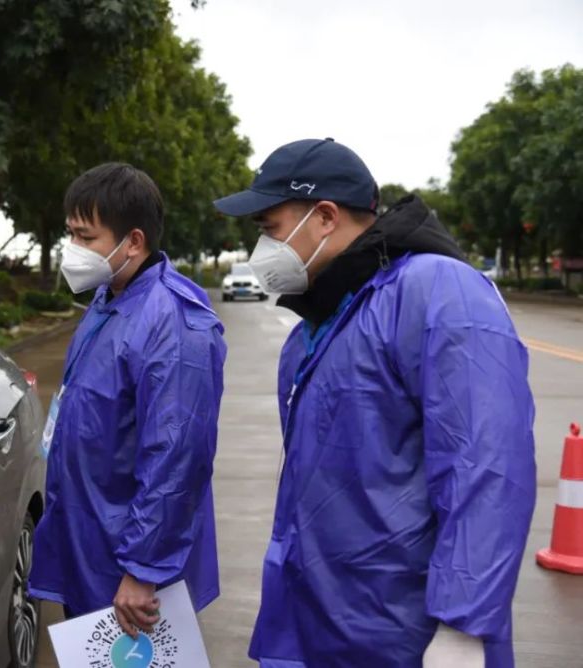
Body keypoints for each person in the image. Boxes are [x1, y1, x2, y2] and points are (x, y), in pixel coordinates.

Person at [214, 138, 535, 668]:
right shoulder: (316, 327)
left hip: (405, 633)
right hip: (326, 623)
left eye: (269, 228)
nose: (261, 250)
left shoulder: (439, 293)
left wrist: (464, 624)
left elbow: (486, 463)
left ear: (323, 217)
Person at [28, 163, 227, 638]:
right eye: (70, 234)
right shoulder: (107, 299)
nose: (73, 250)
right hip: (90, 536)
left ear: (133, 242)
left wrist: (143, 570)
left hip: (131, 562)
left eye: (85, 237)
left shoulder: (173, 322)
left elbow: (176, 459)